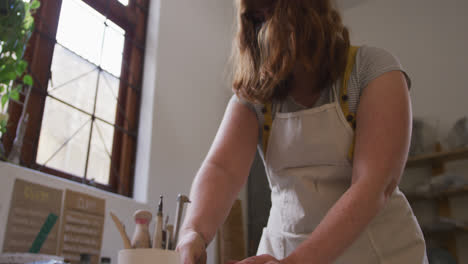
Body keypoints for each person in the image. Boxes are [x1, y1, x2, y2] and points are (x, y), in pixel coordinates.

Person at [176, 0, 428, 263]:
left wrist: (296, 262)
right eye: (256, 18)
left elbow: (375, 184)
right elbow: (222, 170)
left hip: (379, 252)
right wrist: (192, 232)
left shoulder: (372, 69)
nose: (263, 31)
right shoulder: (255, 96)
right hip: (284, 248)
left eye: (272, 13)